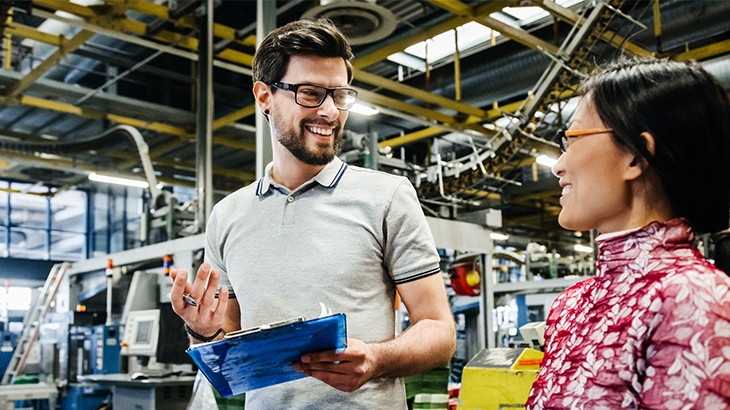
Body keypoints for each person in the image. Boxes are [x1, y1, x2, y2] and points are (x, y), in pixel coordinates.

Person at [169, 19, 456, 409]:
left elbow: (439, 331)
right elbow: (230, 348)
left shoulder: (386, 197)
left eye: (340, 95)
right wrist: (202, 333)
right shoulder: (227, 216)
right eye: (310, 93)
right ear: (264, 96)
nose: (330, 111)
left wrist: (375, 359)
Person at [527, 57, 730, 409]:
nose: (559, 165)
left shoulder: (694, 297)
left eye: (571, 139)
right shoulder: (571, 305)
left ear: (635, 157)